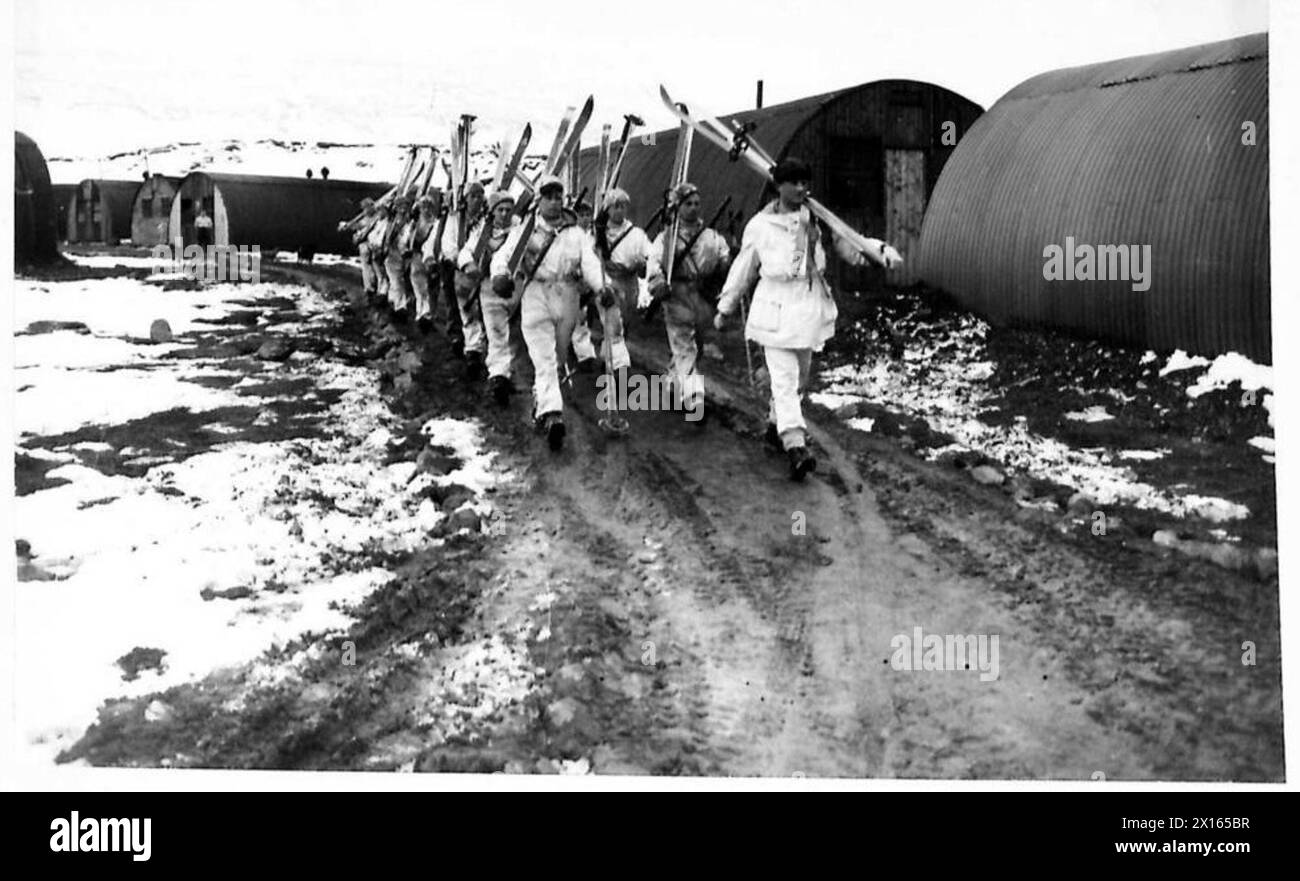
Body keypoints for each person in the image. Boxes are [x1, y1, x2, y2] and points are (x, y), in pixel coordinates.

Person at [714, 156, 902, 480]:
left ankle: (776, 424)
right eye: (794, 183)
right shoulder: (760, 226)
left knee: (798, 378)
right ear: (779, 186)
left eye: (805, 182)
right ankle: (795, 445)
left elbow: (848, 242)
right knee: (784, 378)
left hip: (808, 305)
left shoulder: (814, 217)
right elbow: (743, 267)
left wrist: (877, 252)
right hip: (775, 305)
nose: (801, 188)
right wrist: (725, 306)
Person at [490, 175, 613, 450]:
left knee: (557, 356)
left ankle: (541, 400)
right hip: (536, 294)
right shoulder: (525, 231)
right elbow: (503, 257)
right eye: (549, 196)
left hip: (567, 295)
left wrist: (602, 287)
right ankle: (552, 414)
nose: (555, 202)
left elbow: (591, 263)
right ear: (539, 200)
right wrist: (500, 275)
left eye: (559, 196)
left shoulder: (575, 233)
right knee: (544, 357)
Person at [645, 181, 731, 419]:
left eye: (696, 203)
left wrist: (725, 264)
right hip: (677, 298)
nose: (693, 208)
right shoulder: (666, 239)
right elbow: (653, 263)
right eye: (688, 204)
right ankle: (695, 399)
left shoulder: (712, 237)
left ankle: (672, 386)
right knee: (685, 346)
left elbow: (725, 257)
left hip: (702, 298)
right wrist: (658, 283)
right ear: (678, 207)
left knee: (695, 347)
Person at [458, 190, 521, 405]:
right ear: (493, 211)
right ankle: (498, 377)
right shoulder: (482, 232)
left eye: (508, 209)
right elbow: (465, 251)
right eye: (500, 209)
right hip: (488, 290)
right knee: (496, 332)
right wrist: (469, 265)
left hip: (516, 289)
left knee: (514, 335)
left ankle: (507, 372)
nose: (504, 214)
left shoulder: (521, 230)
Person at [593, 187, 651, 398]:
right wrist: (604, 281)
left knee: (622, 324)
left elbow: (650, 256)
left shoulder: (636, 234)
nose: (620, 210)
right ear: (607, 209)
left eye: (623, 206)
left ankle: (605, 358)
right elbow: (593, 263)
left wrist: (642, 264)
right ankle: (621, 371)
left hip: (630, 284)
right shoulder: (599, 235)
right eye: (615, 206)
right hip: (608, 284)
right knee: (614, 327)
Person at [441, 181, 488, 378]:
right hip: (456, 267)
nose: (476, 200)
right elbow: (448, 243)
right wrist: (462, 261)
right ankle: (458, 339)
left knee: (478, 310)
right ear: (465, 199)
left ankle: (475, 349)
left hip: (482, 270)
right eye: (473, 196)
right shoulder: (455, 219)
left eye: (480, 196)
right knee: (458, 306)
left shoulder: (486, 221)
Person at [406, 195, 440, 331]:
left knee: (432, 287)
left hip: (431, 257)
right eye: (423, 207)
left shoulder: (436, 224)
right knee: (419, 285)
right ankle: (421, 312)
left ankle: (430, 314)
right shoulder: (415, 223)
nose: (425, 210)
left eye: (428, 207)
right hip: (417, 256)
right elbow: (408, 239)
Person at [340, 197, 379, 297]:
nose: (366, 210)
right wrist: (346, 225)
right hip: (366, 245)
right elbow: (356, 226)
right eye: (364, 208)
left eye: (367, 207)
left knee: (375, 267)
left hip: (376, 245)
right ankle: (369, 288)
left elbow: (357, 226)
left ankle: (374, 288)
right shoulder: (366, 219)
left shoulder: (376, 218)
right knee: (367, 267)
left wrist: (348, 226)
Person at [383, 197, 414, 317]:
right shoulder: (392, 222)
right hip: (393, 252)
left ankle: (394, 302)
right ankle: (399, 306)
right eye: (400, 206)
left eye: (405, 206)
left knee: (399, 280)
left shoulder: (409, 222)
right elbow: (387, 238)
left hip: (404, 253)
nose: (403, 209)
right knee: (396, 280)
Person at [365, 201, 392, 303]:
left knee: (382, 272)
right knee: (378, 273)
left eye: (381, 210)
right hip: (374, 249)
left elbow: (383, 237)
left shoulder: (387, 223)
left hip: (380, 249)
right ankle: (380, 291)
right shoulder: (378, 222)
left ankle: (383, 292)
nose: (379, 212)